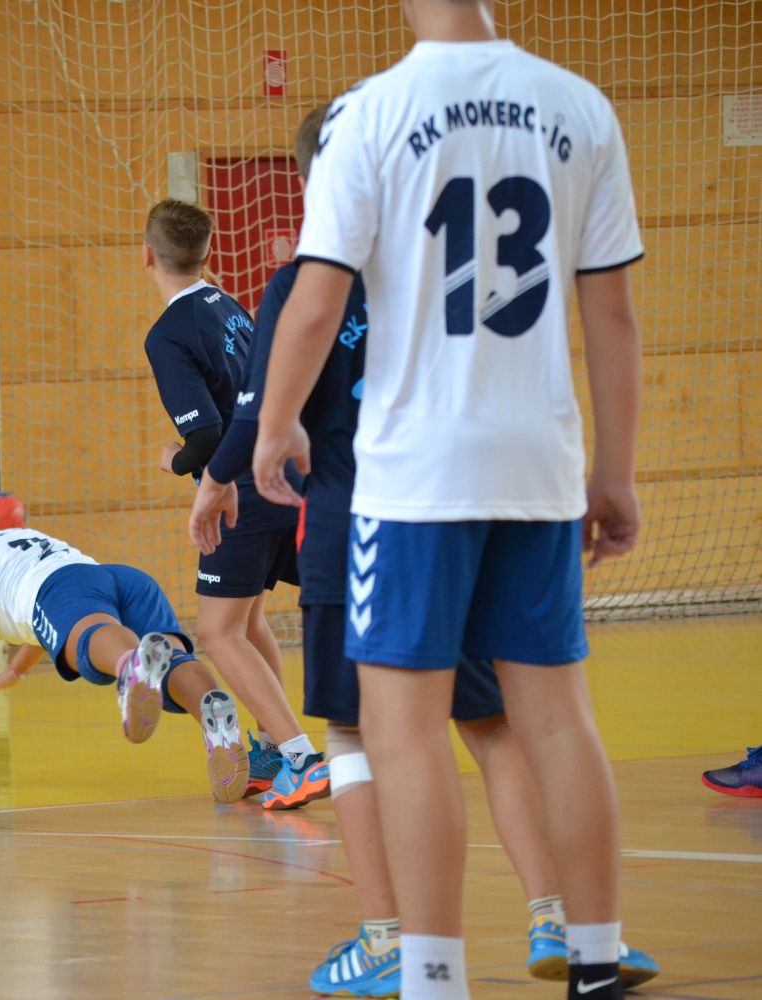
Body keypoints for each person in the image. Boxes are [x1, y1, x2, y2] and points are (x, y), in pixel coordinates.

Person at [193, 106, 656, 997]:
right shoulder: (453, 264)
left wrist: (216, 481)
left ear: (312, 181)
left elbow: (258, 415)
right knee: (494, 727)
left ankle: (387, 943)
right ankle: (559, 918)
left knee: (357, 735)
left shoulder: (306, 281)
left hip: (359, 527)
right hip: (470, 520)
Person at [141, 199, 327, 807]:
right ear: (207, 252)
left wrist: (175, 459)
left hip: (240, 493)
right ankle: (274, 749)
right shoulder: (229, 306)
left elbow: (207, 436)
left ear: (147, 256)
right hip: (282, 475)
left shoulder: (168, 334)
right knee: (246, 622)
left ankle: (301, 757)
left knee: (216, 634)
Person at [0, 497, 249, 802]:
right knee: (172, 662)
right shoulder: (11, 535)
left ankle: (130, 664)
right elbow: (45, 622)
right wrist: (16, 670)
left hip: (66, 591)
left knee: (96, 637)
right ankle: (215, 720)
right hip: (120, 579)